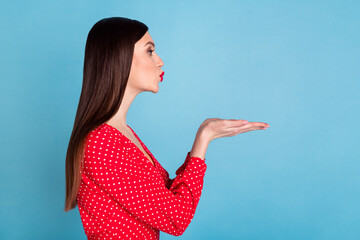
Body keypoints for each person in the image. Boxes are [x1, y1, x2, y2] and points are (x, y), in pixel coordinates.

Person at [64, 17, 270, 240]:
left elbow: (166, 199)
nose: (160, 61)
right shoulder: (101, 143)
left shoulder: (121, 134)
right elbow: (175, 218)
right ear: (120, 57)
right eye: (150, 51)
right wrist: (204, 138)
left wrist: (205, 131)